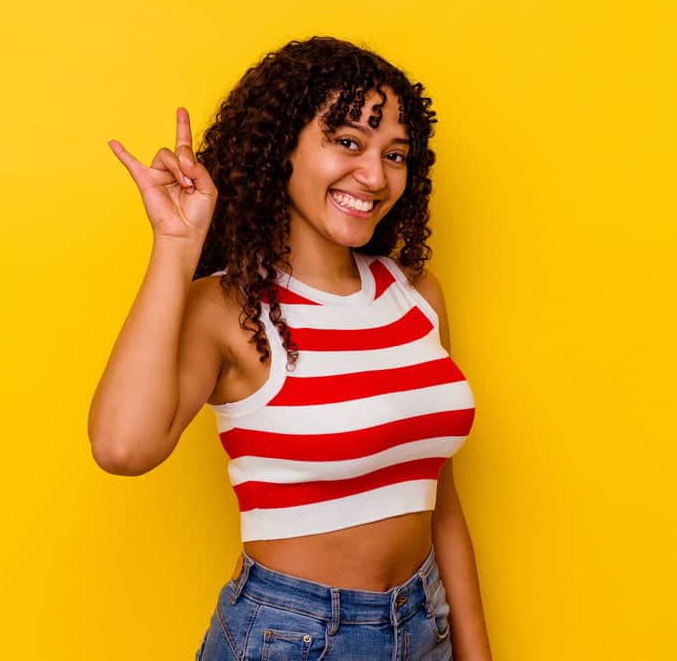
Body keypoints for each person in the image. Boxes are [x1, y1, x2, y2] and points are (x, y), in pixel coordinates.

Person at [89, 36, 492, 660]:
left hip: (424, 621)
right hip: (292, 636)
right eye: (348, 142)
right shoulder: (228, 308)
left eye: (395, 154)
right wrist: (175, 245)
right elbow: (122, 448)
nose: (374, 175)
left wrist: (474, 652)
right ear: (283, 150)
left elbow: (440, 500)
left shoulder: (417, 296)